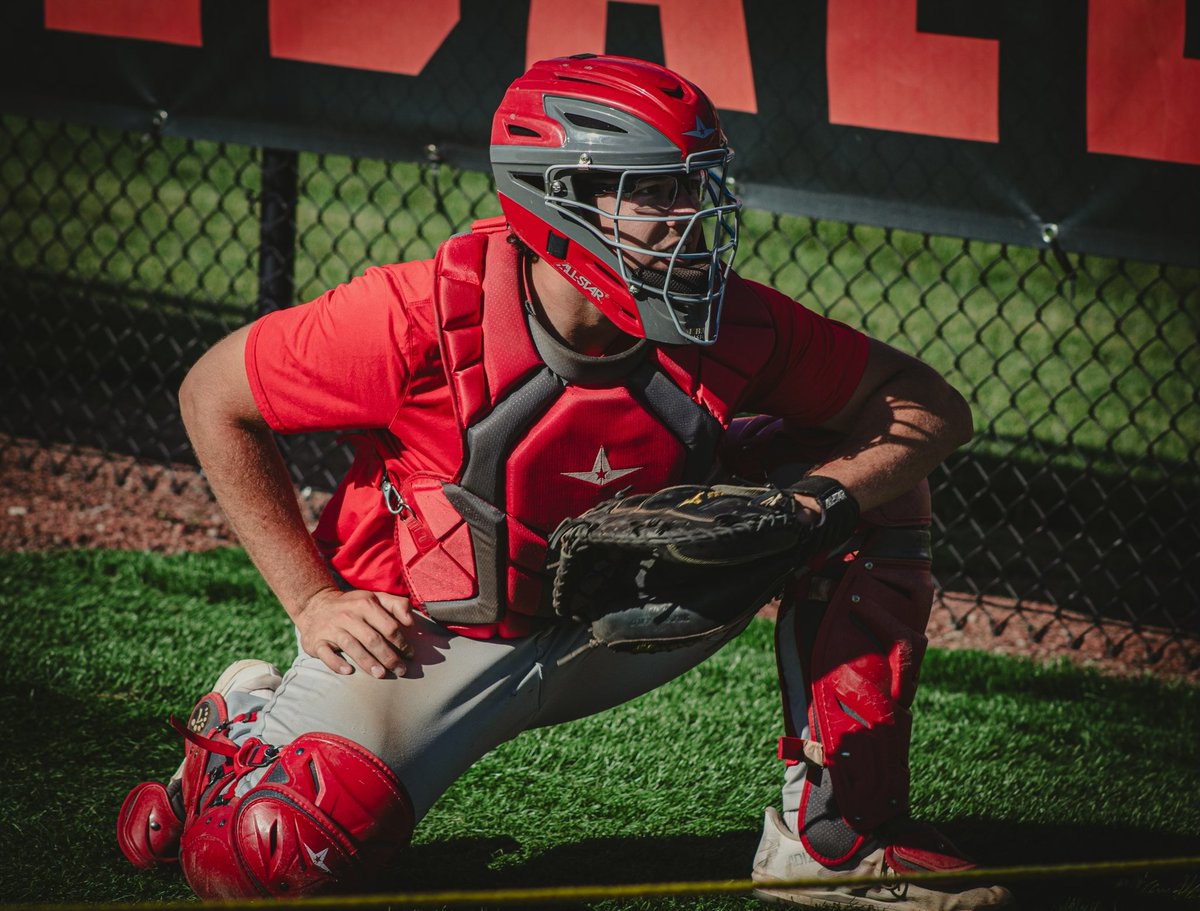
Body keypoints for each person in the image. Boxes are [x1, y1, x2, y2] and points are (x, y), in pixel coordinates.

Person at [116, 54, 1012, 909]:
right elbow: (212, 395)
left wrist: (815, 503)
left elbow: (929, 404)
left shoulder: (729, 321)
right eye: (656, 192)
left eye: (696, 187)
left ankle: (836, 838)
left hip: (623, 623)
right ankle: (239, 729)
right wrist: (311, 598)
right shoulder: (416, 314)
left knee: (877, 478)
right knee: (268, 856)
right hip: (424, 644)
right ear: (561, 199)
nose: (689, 218)